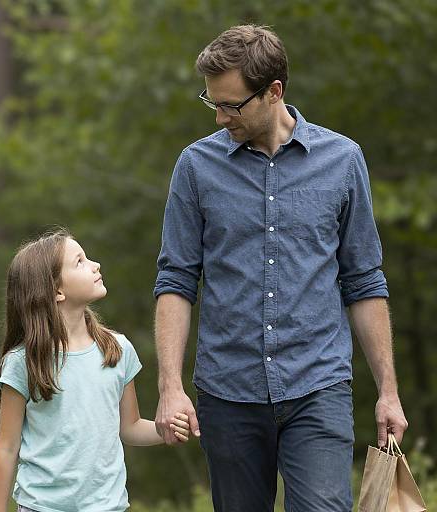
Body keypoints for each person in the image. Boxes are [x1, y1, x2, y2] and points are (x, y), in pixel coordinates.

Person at [153, 24, 408, 512]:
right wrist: (170, 386)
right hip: (227, 392)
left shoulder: (343, 160)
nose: (222, 116)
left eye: (233, 104)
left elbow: (364, 281)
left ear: (274, 92)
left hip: (318, 385)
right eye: (213, 104)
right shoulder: (195, 166)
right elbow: (176, 280)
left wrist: (388, 392)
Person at [0, 228, 190, 512]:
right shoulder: (24, 362)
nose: (95, 265)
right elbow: (6, 448)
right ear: (57, 291)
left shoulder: (116, 350)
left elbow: (129, 428)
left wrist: (164, 429)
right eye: (80, 262)